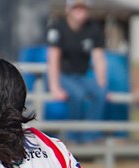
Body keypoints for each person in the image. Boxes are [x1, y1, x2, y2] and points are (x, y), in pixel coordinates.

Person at [46, 0, 108, 142]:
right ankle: (72, 138)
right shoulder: (57, 27)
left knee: (101, 93)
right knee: (77, 95)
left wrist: (102, 84)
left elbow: (99, 59)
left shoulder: (93, 28)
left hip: (81, 76)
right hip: (62, 75)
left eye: (84, 8)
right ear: (69, 9)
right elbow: (53, 59)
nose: (80, 12)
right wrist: (55, 87)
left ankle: (90, 137)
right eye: (76, 8)